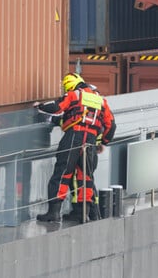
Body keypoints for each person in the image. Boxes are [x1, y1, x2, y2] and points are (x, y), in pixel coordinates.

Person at [34, 73, 116, 222]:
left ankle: (54, 212)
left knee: (62, 173)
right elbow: (111, 125)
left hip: (73, 137)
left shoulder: (75, 95)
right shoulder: (101, 100)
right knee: (85, 177)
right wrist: (103, 142)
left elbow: (57, 107)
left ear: (69, 85)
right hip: (90, 142)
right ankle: (81, 212)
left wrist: (40, 106)